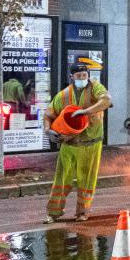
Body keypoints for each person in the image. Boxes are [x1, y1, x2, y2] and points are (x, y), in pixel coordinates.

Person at [42, 62, 112, 223]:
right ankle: (53, 212)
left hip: (91, 144)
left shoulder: (95, 87)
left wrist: (86, 111)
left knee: (86, 180)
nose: (82, 78)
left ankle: (82, 212)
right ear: (71, 77)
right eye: (79, 76)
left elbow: (107, 100)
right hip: (69, 144)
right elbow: (48, 114)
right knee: (61, 179)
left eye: (85, 76)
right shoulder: (64, 95)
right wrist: (48, 130)